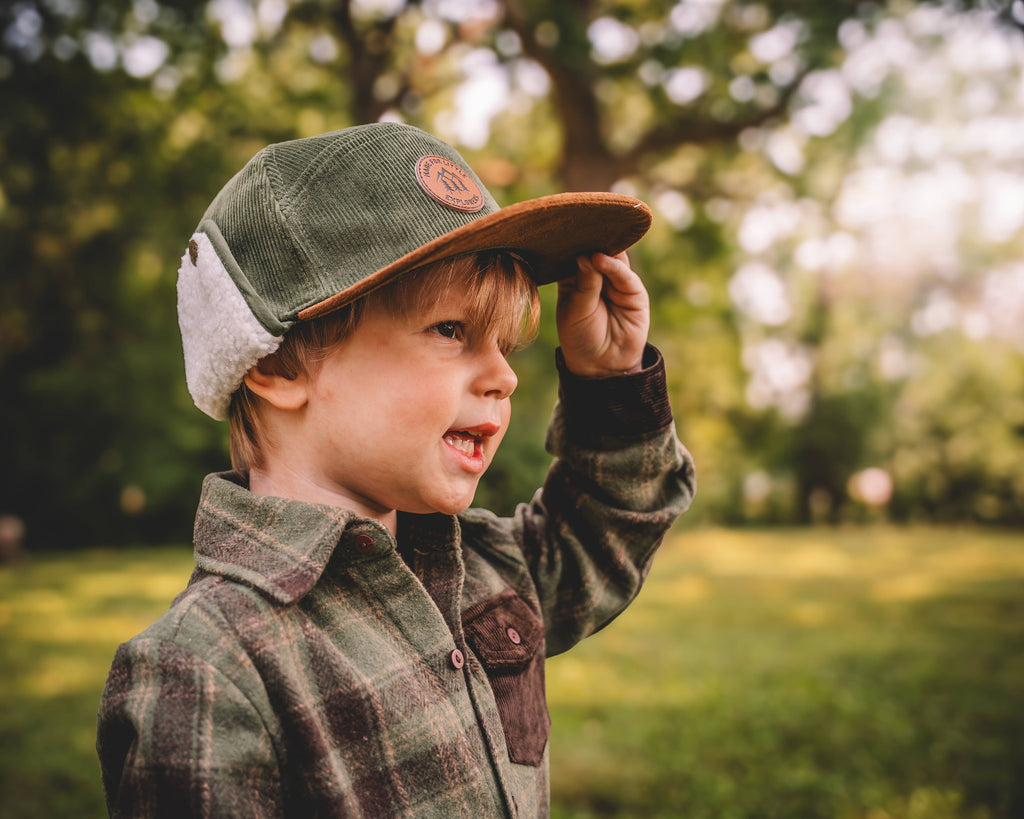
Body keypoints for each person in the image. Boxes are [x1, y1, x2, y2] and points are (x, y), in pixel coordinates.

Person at [96, 122, 695, 818]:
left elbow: (601, 533)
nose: (504, 375)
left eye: (502, 342)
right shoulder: (206, 670)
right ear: (277, 365)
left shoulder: (485, 570)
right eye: (451, 330)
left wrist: (608, 379)